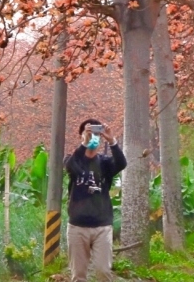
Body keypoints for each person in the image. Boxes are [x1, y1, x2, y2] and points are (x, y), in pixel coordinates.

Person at [64, 119, 126, 282]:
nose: (93, 137)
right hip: (77, 227)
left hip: (102, 226)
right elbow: (70, 166)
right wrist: (84, 143)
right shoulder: (74, 160)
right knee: (78, 276)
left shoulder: (105, 163)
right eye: (88, 132)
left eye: (96, 134)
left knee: (103, 271)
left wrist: (112, 140)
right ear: (81, 136)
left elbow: (121, 163)